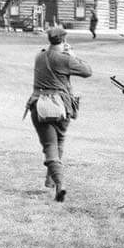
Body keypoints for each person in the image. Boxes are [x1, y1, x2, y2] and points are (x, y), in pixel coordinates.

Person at [28, 26, 92, 202]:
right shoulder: (65, 59)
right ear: (64, 40)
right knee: (59, 142)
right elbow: (87, 71)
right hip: (62, 107)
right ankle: (58, 184)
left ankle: (56, 183)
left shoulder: (39, 56)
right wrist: (72, 54)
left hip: (40, 105)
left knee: (50, 145)